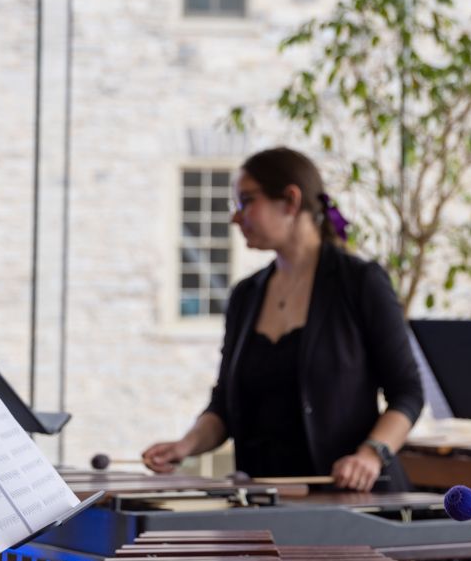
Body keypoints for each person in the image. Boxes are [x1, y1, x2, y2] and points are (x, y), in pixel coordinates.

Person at [141, 147, 423, 491]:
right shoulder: (246, 295)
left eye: (246, 201)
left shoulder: (360, 282)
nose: (235, 217)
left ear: (290, 200)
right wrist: (186, 445)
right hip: (264, 500)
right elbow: (224, 405)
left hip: (351, 500)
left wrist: (371, 454)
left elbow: (407, 392)